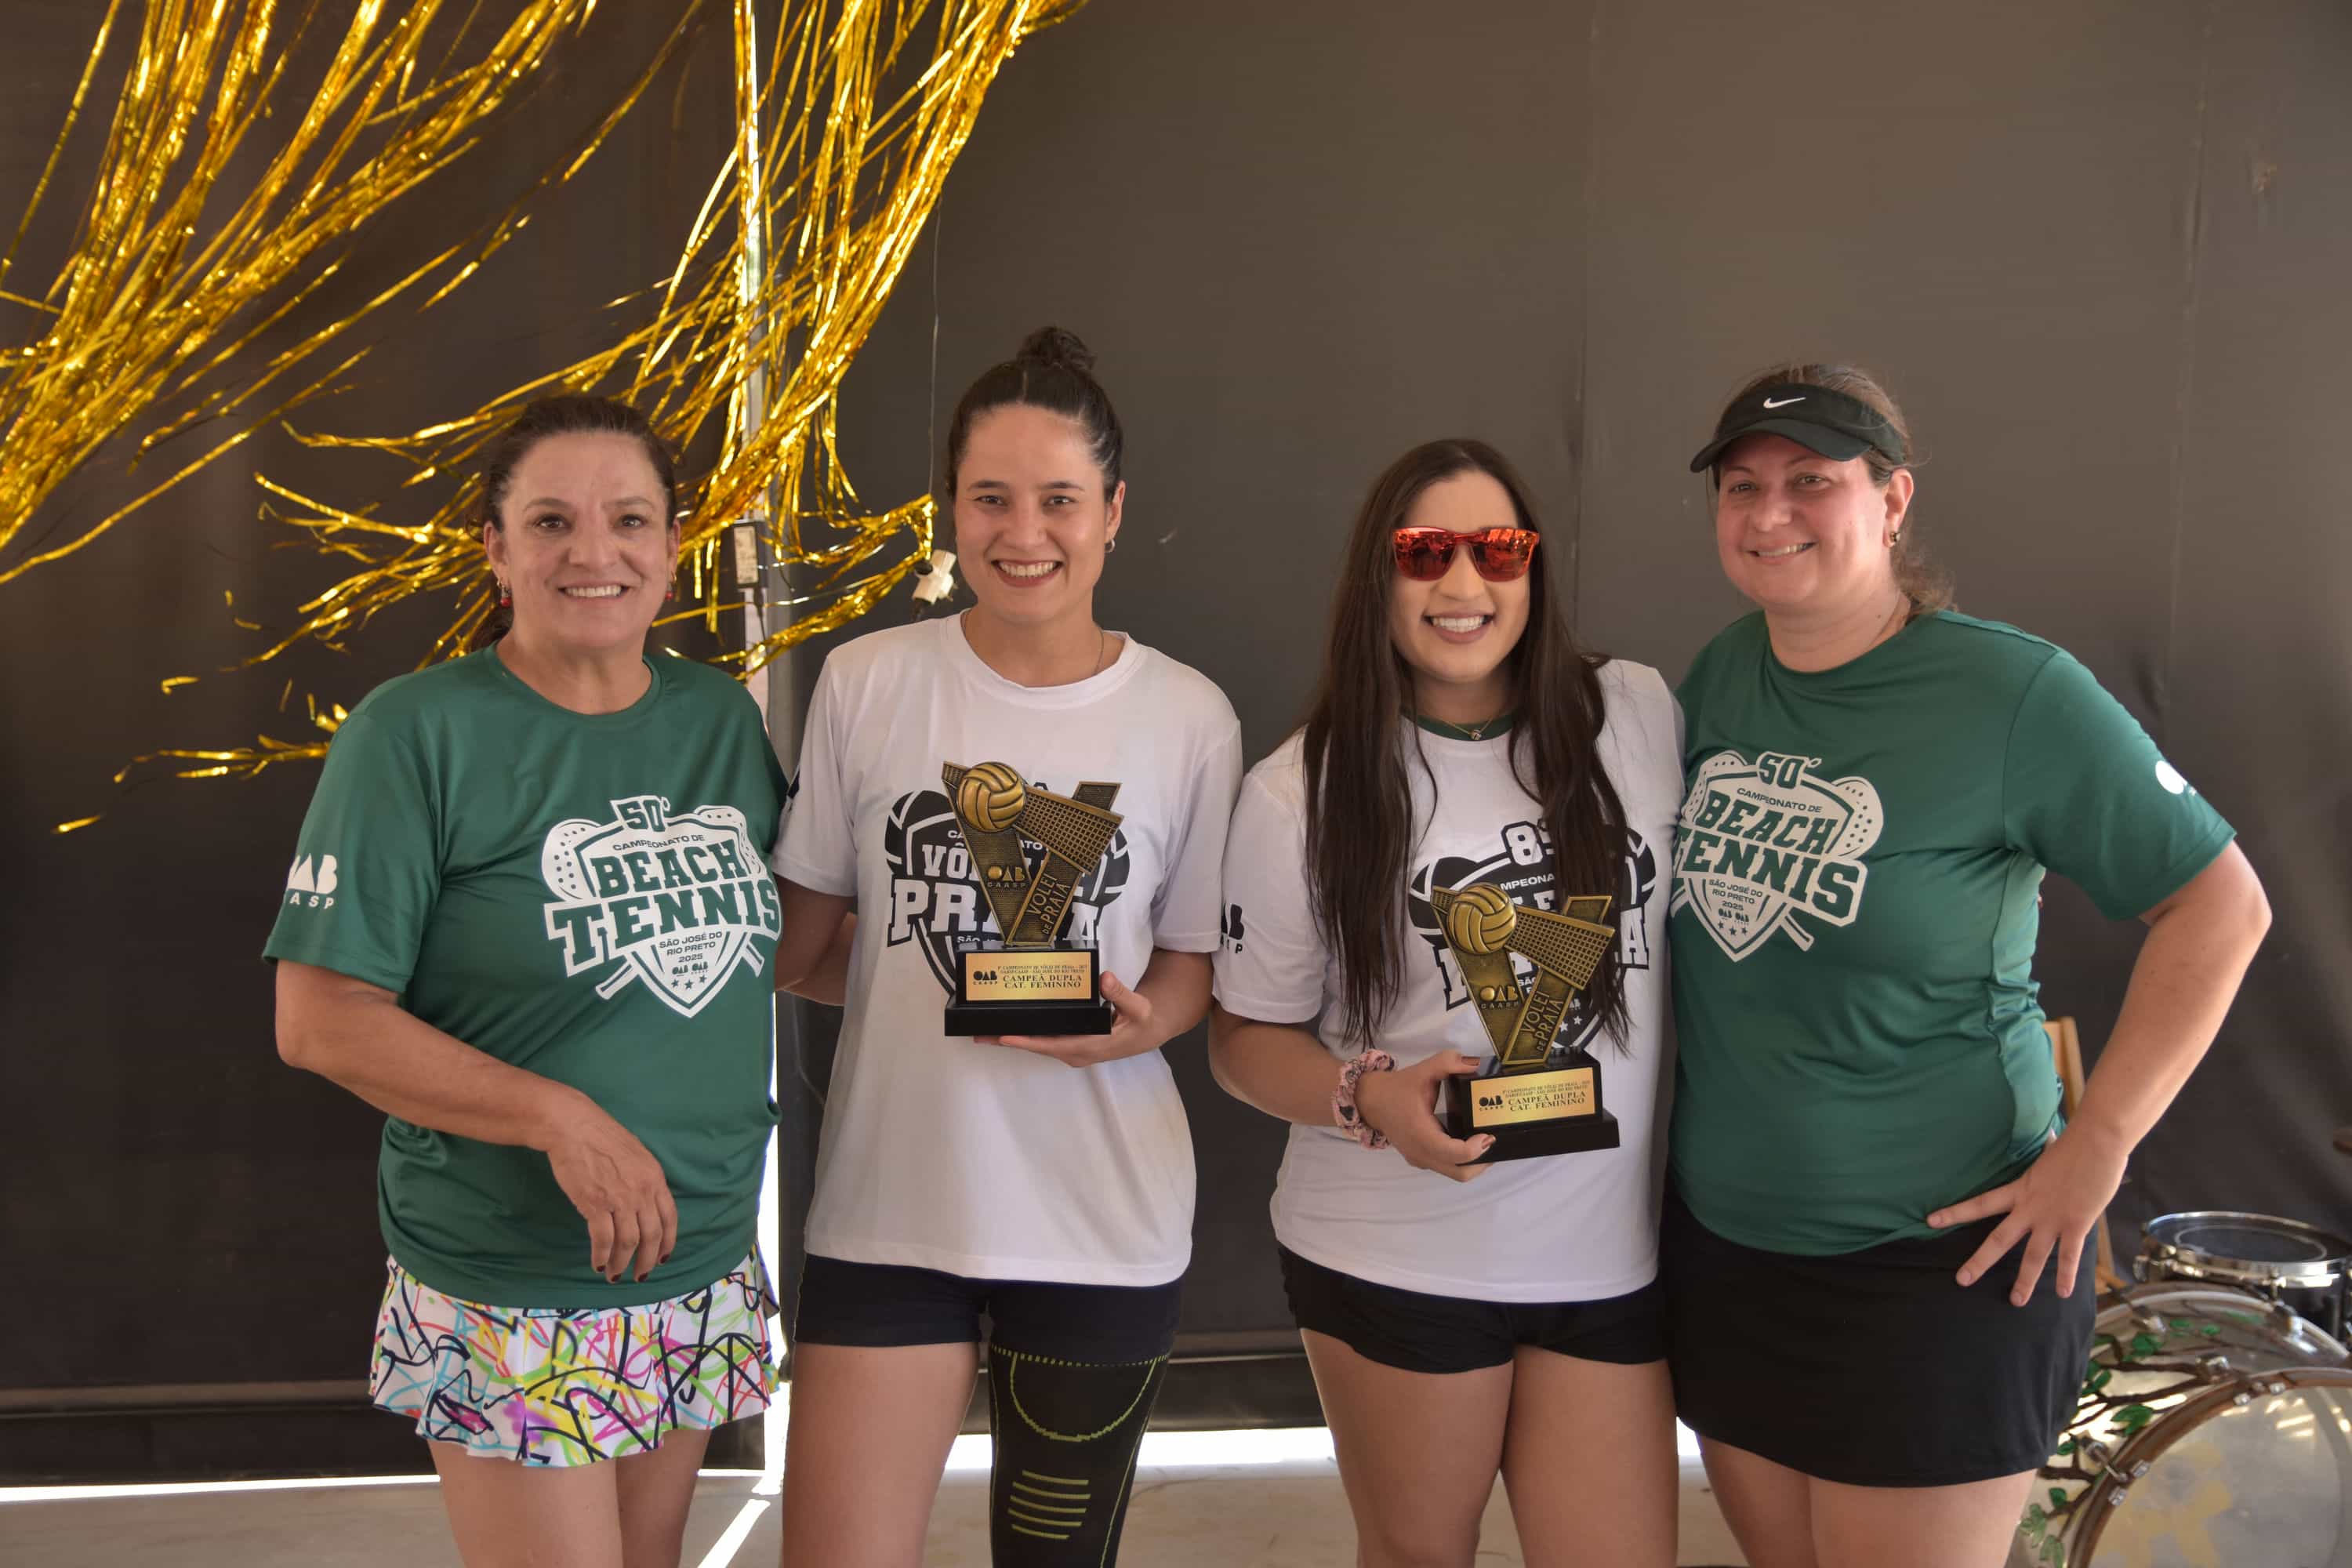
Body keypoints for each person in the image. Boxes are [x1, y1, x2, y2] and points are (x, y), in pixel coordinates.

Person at [1661, 364, 2272, 1568]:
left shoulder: (2012, 692)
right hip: (1731, 1253)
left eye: (1812, 482)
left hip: (1942, 1265)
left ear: (1891, 499)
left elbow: (2222, 906)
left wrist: (2100, 1145)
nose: (1770, 513)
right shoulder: (1722, 675)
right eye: (1742, 487)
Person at [269, 394, 789, 1568]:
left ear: (673, 548)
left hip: (699, 1255)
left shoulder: (719, 719)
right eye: (551, 521)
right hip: (514, 1278)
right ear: (496, 551)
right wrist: (558, 1119)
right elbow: (321, 1020)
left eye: (630, 520)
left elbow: (788, 948)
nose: (594, 551)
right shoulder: (416, 734)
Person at [768, 327, 1243, 1567]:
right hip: (889, 1215)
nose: (1024, 532)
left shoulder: (1189, 715)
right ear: (951, 508)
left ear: (1114, 513)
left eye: (1059, 500)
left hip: (1102, 1222)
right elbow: (799, 947)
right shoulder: (867, 682)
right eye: (991, 498)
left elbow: (1190, 965)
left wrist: (1143, 1025)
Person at [1207, 439, 1682, 1568]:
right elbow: (1240, 1041)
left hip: (1603, 1254)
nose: (1464, 583)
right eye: (1425, 553)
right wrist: (1365, 1096)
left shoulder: (1634, 711)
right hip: (1398, 1253)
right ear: (1378, 575)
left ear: (1534, 567)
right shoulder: (1301, 791)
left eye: (1498, 549)